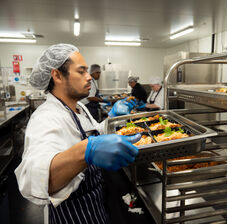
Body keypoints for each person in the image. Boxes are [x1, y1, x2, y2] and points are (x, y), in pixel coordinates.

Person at [14, 43, 141, 224]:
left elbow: (92, 131)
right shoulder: (46, 117)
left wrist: (112, 119)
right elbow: (34, 179)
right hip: (73, 215)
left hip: (96, 206)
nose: (89, 77)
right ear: (57, 75)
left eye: (87, 71)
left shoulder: (78, 106)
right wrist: (85, 151)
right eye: (81, 71)